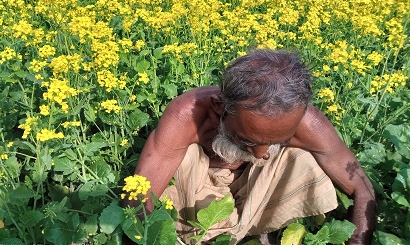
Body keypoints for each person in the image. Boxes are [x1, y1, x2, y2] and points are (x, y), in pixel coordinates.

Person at [129, 49, 376, 244]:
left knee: (305, 160)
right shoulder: (188, 114)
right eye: (247, 140)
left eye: (279, 140)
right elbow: (139, 198)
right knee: (182, 159)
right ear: (219, 107)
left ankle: (258, 229)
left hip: (256, 188)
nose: (262, 154)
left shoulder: (307, 122)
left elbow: (362, 188)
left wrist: (357, 240)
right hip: (198, 191)